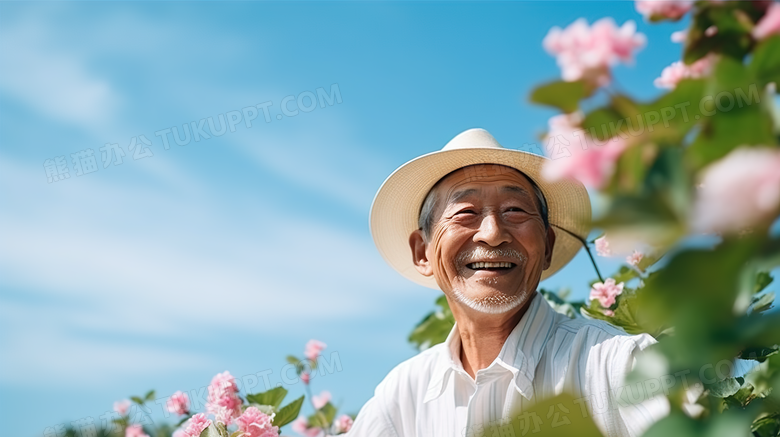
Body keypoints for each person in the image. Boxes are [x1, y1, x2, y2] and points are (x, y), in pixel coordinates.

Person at [347, 128, 668, 437]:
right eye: (465, 212)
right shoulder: (403, 396)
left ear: (547, 247)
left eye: (514, 210)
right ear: (423, 253)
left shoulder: (619, 365)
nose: (493, 233)